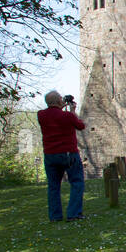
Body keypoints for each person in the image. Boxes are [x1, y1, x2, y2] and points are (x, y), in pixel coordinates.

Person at [37, 90, 86, 222]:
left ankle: (55, 216)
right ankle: (74, 213)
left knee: (53, 186)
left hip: (50, 155)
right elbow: (80, 126)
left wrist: (60, 106)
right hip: (68, 153)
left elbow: (52, 115)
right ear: (60, 101)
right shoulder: (67, 116)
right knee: (77, 182)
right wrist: (72, 111)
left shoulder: (41, 115)